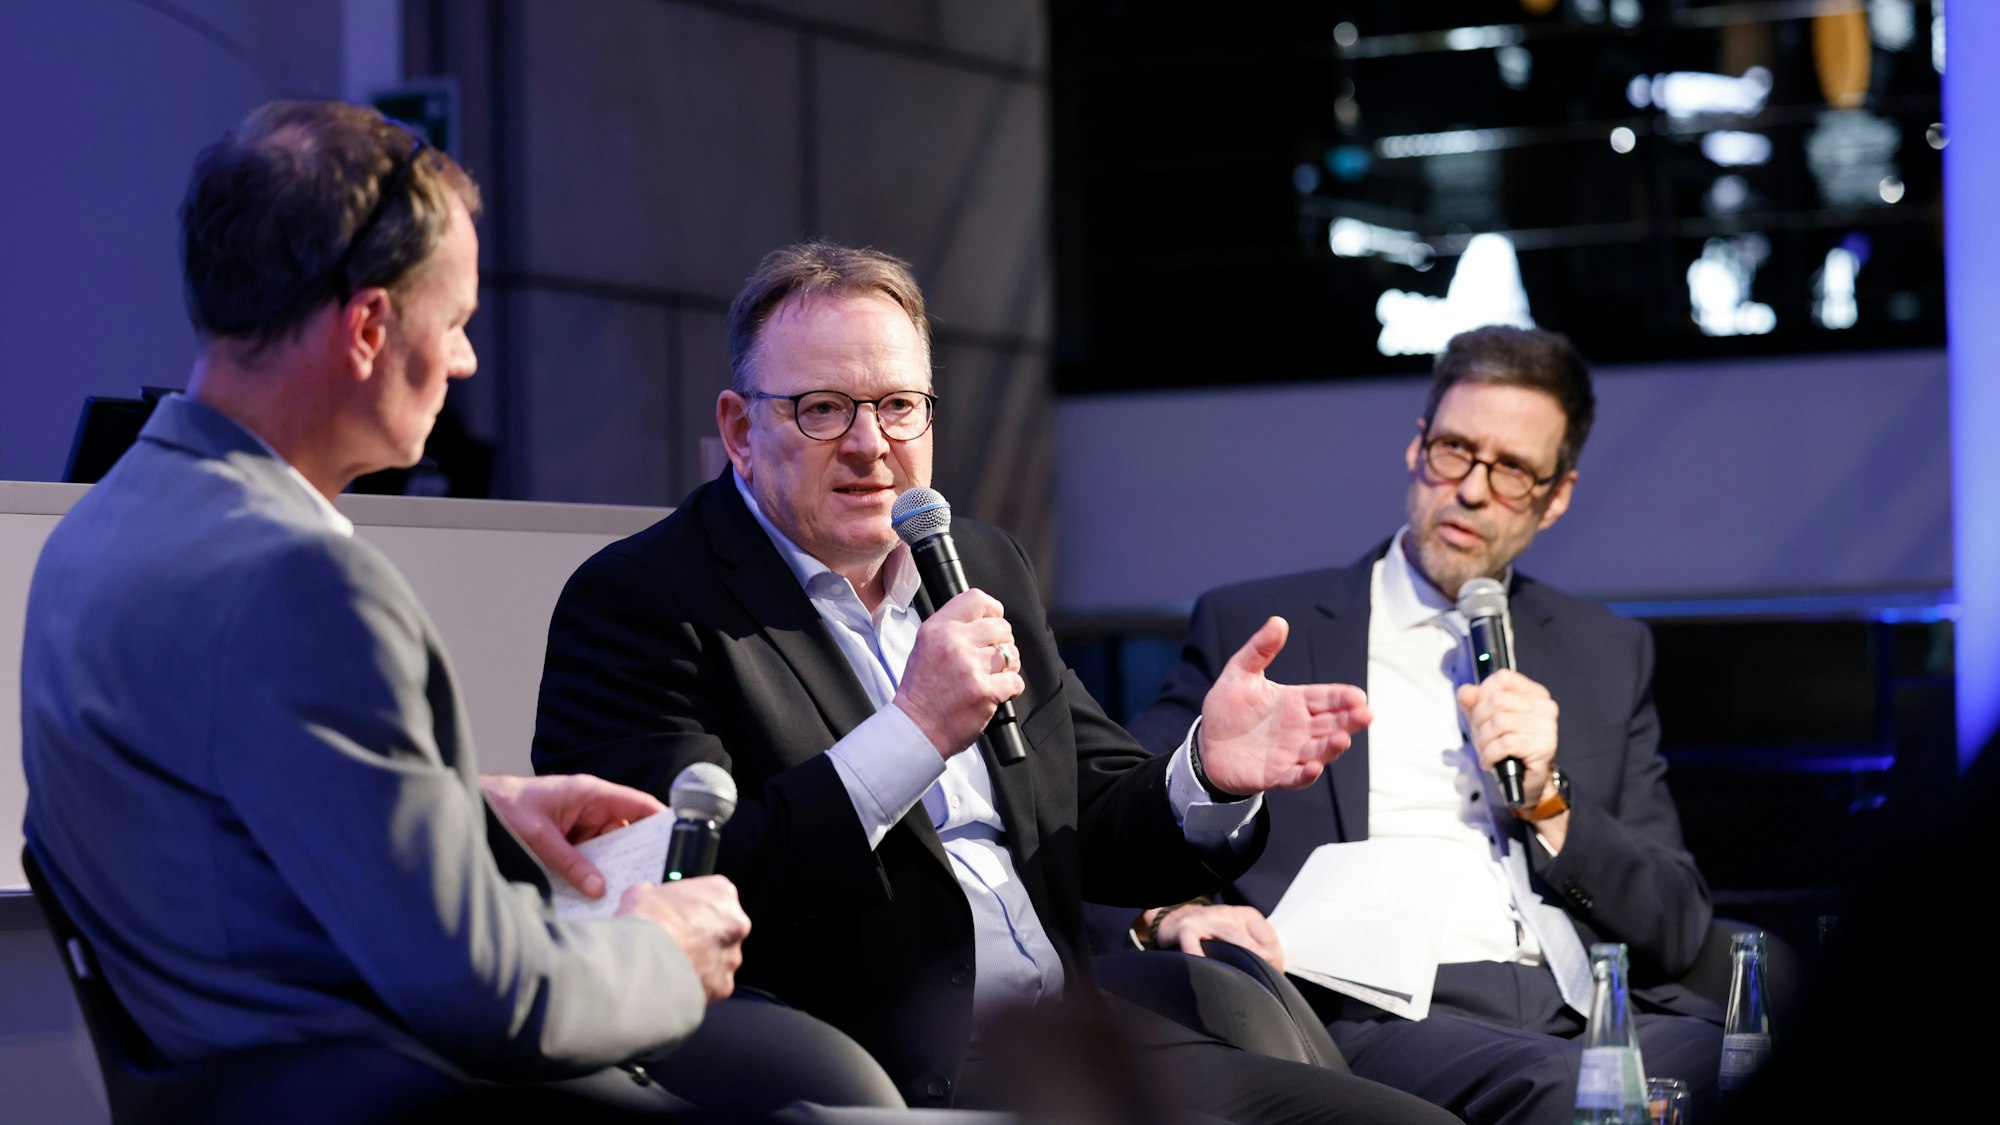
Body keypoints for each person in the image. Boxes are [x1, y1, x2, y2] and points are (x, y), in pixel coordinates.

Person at [531, 241, 1456, 1125]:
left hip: (1075, 1037)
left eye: (900, 405)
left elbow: (1091, 818)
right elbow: (682, 888)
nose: (870, 444)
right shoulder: (644, 602)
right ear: (741, 428)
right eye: (824, 408)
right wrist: (913, 730)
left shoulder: (979, 561)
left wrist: (1206, 773)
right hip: (879, 1061)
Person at [19, 100, 750, 1121]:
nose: (466, 361)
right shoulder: (303, 584)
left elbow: (207, 823)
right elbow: (495, 997)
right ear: (368, 327)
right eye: (454, 323)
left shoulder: (96, 533)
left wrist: (457, 807)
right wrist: (663, 950)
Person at [1118, 326, 1724, 1125]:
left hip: (1584, 1004)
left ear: (1557, 496)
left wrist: (1548, 799)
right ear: (1417, 448)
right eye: (1455, 450)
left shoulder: (1603, 651)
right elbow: (1111, 815)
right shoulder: (1270, 626)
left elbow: (1677, 922)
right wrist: (1168, 913)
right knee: (1574, 1090)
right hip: (1385, 1014)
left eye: (1512, 470)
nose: (1471, 489)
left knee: (1747, 1054)